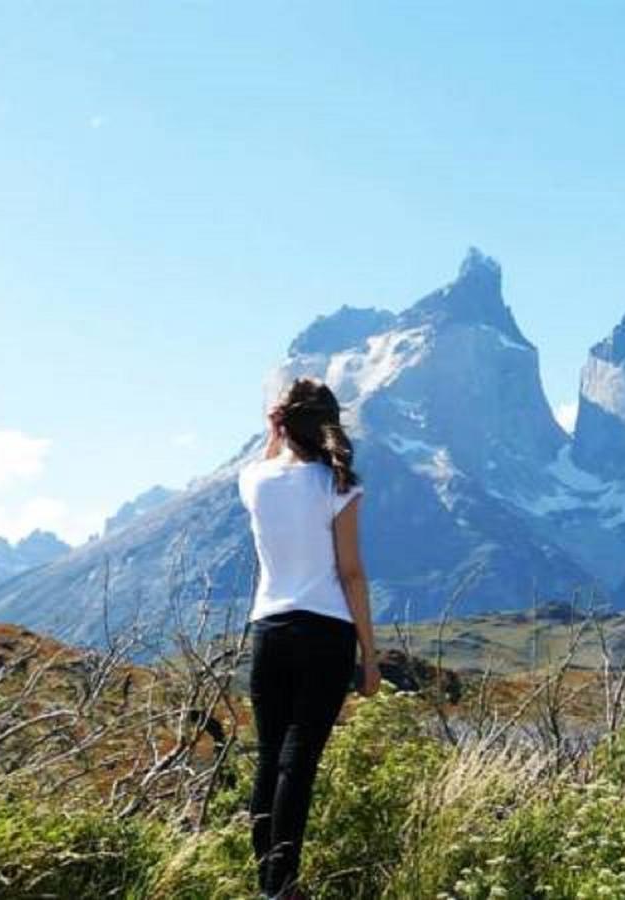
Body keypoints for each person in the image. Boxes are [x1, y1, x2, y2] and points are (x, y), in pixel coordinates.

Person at [237, 377, 380, 900]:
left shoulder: (253, 481)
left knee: (270, 757)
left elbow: (264, 460)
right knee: (299, 763)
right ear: (330, 426)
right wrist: (370, 656)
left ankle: (271, 885)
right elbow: (351, 574)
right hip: (325, 632)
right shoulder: (338, 486)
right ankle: (282, 888)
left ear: (280, 424)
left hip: (269, 630)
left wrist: (272, 435)